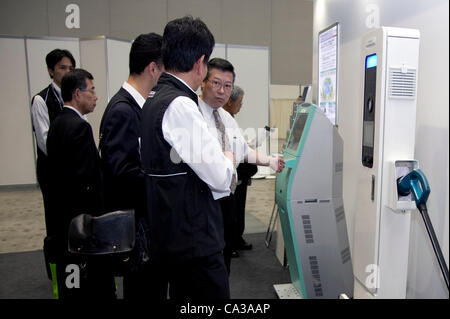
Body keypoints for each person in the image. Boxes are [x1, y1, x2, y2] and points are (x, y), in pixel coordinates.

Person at [140, 16, 234, 300]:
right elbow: (219, 176)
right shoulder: (180, 104)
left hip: (171, 232)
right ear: (200, 63)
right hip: (193, 241)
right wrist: (227, 157)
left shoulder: (154, 96)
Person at [199, 58, 285, 275]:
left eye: (227, 86)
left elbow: (243, 150)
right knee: (204, 266)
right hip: (203, 203)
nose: (221, 91)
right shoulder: (192, 115)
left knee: (223, 259)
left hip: (227, 198)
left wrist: (270, 161)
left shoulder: (226, 118)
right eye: (216, 83)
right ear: (203, 81)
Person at [98, 32, 163, 299]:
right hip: (137, 231)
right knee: (142, 291)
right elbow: (122, 175)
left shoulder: (139, 107)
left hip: (145, 226)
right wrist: (162, 181)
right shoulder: (123, 111)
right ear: (152, 68)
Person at [46, 69, 116, 299]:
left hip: (63, 221)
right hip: (81, 225)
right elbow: (86, 181)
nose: (95, 96)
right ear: (77, 93)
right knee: (89, 284)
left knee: (71, 282)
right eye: (92, 90)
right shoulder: (79, 127)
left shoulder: (57, 123)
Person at [30, 49, 75, 279]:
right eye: (62, 68)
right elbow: (45, 142)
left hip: (72, 173)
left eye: (70, 68)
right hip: (52, 173)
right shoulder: (41, 99)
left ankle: (75, 272)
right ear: (51, 70)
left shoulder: (75, 95)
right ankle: (58, 276)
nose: (67, 72)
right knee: (56, 226)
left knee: (73, 224)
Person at [222, 85, 258, 253]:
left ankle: (236, 238)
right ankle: (231, 242)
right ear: (230, 102)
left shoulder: (230, 118)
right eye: (240, 102)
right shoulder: (221, 118)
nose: (241, 106)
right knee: (231, 212)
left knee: (238, 210)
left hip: (241, 173)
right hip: (231, 176)